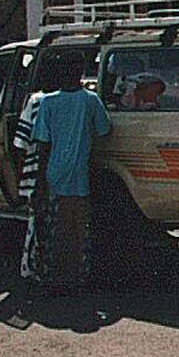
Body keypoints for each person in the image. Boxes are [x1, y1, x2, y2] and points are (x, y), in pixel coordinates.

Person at [19, 53, 111, 293]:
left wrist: (39, 182)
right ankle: (75, 279)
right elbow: (104, 129)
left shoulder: (48, 102)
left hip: (53, 175)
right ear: (81, 73)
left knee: (53, 232)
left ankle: (54, 279)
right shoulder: (91, 101)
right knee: (77, 232)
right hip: (79, 177)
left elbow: (43, 144)